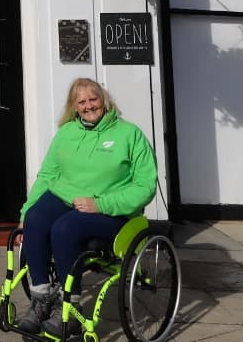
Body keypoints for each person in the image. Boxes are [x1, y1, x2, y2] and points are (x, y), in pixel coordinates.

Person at [14, 77, 158, 337]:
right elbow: (46, 176)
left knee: (64, 228)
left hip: (110, 208)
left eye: (94, 99)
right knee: (36, 219)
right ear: (74, 106)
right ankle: (41, 300)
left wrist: (100, 203)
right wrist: (25, 213)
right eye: (82, 101)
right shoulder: (67, 133)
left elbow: (145, 186)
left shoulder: (129, 134)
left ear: (104, 100)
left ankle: (70, 309)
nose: (89, 105)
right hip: (64, 196)